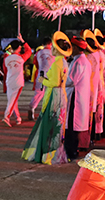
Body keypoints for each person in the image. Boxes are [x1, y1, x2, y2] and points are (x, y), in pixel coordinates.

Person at [21, 32, 71, 164]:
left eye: (53, 48)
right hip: (61, 95)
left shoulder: (56, 64)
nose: (51, 50)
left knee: (48, 124)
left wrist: (43, 80)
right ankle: (53, 153)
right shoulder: (64, 63)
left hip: (54, 95)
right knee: (57, 125)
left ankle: (46, 154)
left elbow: (54, 83)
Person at [64, 36, 92, 159]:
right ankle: (72, 149)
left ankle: (71, 150)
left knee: (71, 125)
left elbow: (71, 80)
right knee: (73, 125)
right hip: (80, 95)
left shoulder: (78, 62)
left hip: (75, 96)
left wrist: (59, 81)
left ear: (75, 48)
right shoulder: (84, 60)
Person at [2, 35, 32, 127]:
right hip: (18, 82)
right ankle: (6, 117)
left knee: (12, 100)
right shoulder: (21, 58)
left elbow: (5, 70)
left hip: (9, 81)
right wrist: (23, 41)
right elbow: (29, 51)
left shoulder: (6, 59)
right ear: (19, 48)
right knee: (12, 101)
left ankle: (18, 118)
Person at [28, 38, 54, 120]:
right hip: (51, 76)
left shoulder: (38, 53)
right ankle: (47, 113)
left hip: (41, 75)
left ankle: (31, 108)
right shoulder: (54, 53)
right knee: (50, 95)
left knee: (38, 93)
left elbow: (36, 64)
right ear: (50, 44)